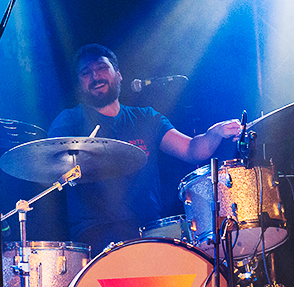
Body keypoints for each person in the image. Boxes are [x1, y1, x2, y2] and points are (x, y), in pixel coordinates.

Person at [47, 44, 242, 256]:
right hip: (95, 234)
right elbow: (50, 162)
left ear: (119, 75)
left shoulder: (146, 117)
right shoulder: (69, 120)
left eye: (102, 68)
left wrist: (215, 134)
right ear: (80, 84)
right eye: (86, 73)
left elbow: (192, 149)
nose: (95, 76)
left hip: (147, 229)